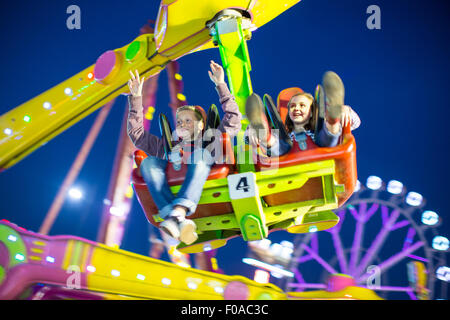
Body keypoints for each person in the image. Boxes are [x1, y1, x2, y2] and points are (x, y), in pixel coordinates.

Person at [127, 61, 242, 245]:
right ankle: (174, 218)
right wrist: (136, 98)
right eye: (179, 122)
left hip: (207, 170)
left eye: (188, 121)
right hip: (174, 176)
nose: (182, 125)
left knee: (200, 155)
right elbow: (137, 135)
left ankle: (178, 211)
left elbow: (234, 120)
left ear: (201, 125)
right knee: (148, 162)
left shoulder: (211, 139)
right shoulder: (168, 146)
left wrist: (221, 85)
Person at [246, 71, 360, 156]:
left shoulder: (318, 128)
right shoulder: (285, 133)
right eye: (292, 106)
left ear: (311, 112)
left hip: (321, 150)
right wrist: (250, 130)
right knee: (278, 143)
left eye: (302, 105)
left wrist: (345, 110)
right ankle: (265, 134)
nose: (296, 108)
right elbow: (246, 140)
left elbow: (356, 123)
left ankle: (333, 117)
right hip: (287, 157)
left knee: (326, 134)